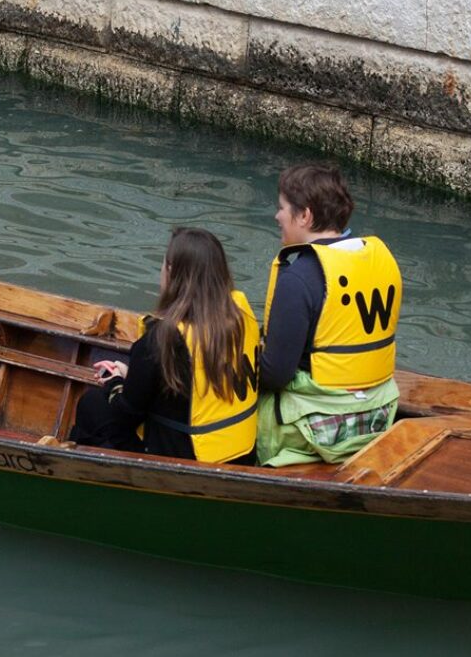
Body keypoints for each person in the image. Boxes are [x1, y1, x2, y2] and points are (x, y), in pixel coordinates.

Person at [69, 227, 259, 463]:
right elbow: (194, 388)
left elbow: (126, 415)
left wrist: (116, 382)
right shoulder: (241, 315)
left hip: (186, 458)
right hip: (242, 454)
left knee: (91, 404)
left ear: (171, 272)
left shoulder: (161, 339)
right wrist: (132, 375)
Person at [255, 163, 403, 466]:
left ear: (305, 215)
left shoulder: (299, 278)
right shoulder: (380, 261)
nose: (277, 216)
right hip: (377, 415)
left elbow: (275, 375)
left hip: (316, 431)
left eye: (282, 208)